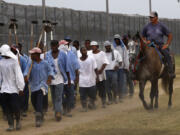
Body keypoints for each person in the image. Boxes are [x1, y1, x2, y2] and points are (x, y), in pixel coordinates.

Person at [24, 47, 53, 127]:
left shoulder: (45, 63)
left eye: (32, 54)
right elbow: (26, 72)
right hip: (33, 86)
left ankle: (38, 120)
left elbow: (50, 71)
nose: (31, 55)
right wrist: (26, 76)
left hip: (42, 86)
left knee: (39, 102)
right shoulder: (30, 63)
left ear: (37, 55)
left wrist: (50, 78)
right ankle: (41, 113)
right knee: (34, 102)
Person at [142, 11, 175, 78]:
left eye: (152, 17)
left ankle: (171, 72)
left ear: (156, 17)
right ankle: (136, 72)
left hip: (160, 45)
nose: (150, 18)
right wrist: (145, 41)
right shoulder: (146, 27)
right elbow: (142, 36)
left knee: (167, 54)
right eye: (150, 17)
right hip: (150, 45)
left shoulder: (161, 26)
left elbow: (170, 35)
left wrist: (167, 44)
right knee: (140, 54)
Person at [0, 44, 25, 131]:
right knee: (6, 108)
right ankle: (10, 124)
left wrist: (21, 87)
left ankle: (18, 121)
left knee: (15, 107)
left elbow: (19, 75)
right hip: (4, 89)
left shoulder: (14, 62)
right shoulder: (1, 62)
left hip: (14, 89)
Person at [46, 40, 70, 121]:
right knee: (53, 97)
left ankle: (58, 113)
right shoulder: (48, 54)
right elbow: (46, 67)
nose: (53, 47)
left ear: (58, 46)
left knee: (58, 97)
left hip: (60, 78)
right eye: (52, 46)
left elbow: (67, 67)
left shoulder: (63, 54)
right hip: (51, 79)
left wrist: (69, 79)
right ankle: (56, 111)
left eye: (55, 46)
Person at [59, 40, 80, 117]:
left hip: (70, 79)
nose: (65, 46)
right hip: (60, 80)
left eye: (66, 44)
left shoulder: (71, 54)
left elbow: (76, 65)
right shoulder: (57, 55)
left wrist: (77, 76)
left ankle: (68, 110)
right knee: (61, 96)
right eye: (63, 44)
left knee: (70, 96)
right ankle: (64, 108)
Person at [78, 47, 99, 112]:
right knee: (82, 96)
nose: (85, 51)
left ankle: (91, 104)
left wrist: (97, 77)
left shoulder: (91, 58)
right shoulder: (78, 60)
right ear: (81, 52)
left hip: (91, 80)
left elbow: (95, 68)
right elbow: (76, 70)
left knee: (92, 94)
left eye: (85, 50)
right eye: (83, 50)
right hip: (82, 81)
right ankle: (84, 107)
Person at [91, 41, 109, 108]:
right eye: (91, 46)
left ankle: (103, 102)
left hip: (101, 75)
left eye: (93, 46)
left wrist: (101, 70)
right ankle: (92, 103)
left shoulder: (102, 53)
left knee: (102, 89)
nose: (92, 47)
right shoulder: (90, 54)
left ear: (97, 46)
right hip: (93, 76)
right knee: (93, 90)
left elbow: (105, 62)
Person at [113, 34, 129, 101]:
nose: (116, 40)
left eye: (118, 39)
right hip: (114, 68)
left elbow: (125, 57)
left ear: (120, 40)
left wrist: (126, 66)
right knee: (114, 82)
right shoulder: (112, 47)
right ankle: (115, 96)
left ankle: (120, 96)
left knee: (121, 82)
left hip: (121, 68)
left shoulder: (123, 47)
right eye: (115, 39)